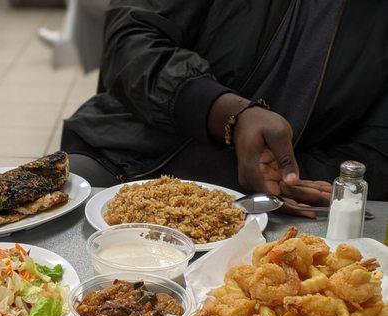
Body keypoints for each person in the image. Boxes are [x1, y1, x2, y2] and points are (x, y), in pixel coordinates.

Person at [61, 0, 388, 207]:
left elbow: (377, 146)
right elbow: (130, 38)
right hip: (126, 159)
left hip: (267, 201)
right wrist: (227, 113)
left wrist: (292, 177)